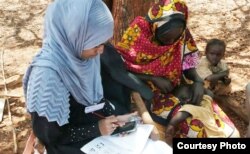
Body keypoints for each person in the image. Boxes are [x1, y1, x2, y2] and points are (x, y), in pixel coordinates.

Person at [22, 0, 138, 153]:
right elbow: (50, 136)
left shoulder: (81, 55)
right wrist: (96, 129)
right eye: (95, 44)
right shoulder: (47, 77)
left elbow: (88, 104)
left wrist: (113, 118)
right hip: (64, 141)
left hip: (86, 125)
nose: (101, 51)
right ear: (72, 35)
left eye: (103, 43)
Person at [116, 0, 239, 139]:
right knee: (196, 130)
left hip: (177, 88)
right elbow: (120, 70)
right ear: (155, 27)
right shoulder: (138, 34)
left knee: (229, 131)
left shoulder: (182, 34)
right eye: (166, 37)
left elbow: (188, 64)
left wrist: (198, 82)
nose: (171, 42)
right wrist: (153, 78)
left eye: (176, 38)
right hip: (148, 94)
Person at [165, 84, 239, 145]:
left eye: (182, 99)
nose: (182, 102)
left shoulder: (189, 107)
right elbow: (210, 93)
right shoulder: (205, 101)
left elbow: (181, 115)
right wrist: (199, 87)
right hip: (232, 132)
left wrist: (171, 124)